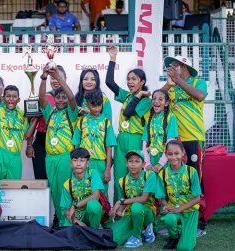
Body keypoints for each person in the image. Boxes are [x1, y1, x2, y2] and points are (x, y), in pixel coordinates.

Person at [162, 55, 207, 236]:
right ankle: (177, 220)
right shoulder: (172, 87)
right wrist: (168, 84)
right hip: (175, 142)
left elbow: (200, 96)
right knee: (176, 180)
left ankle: (199, 223)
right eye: (169, 67)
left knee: (195, 179)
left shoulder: (198, 82)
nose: (170, 69)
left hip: (194, 139)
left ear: (184, 67)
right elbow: (156, 99)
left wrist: (178, 81)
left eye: (174, 66)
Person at [105, 46, 152, 202]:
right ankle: (119, 212)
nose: (130, 82)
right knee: (119, 176)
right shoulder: (126, 95)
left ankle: (136, 210)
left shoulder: (145, 100)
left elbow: (128, 112)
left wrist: (138, 95)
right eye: (129, 79)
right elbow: (109, 82)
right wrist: (112, 59)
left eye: (134, 79)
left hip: (136, 139)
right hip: (121, 140)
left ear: (142, 82)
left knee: (136, 177)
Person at [39, 64, 78, 227]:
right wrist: (43, 77)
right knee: (55, 191)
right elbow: (41, 98)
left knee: (65, 190)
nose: (61, 100)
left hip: (64, 157)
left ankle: (66, 222)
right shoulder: (50, 112)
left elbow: (71, 97)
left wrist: (59, 78)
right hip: (50, 159)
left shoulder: (72, 112)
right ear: (54, 99)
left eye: (63, 98)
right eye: (58, 97)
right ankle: (60, 219)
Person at [0, 68, 38, 180]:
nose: (11, 99)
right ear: (3, 98)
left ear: (18, 99)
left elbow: (27, 135)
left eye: (14, 96)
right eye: (8, 96)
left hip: (15, 157)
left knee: (14, 190)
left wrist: (35, 118)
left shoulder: (23, 115)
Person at [156, 140, 201, 250]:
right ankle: (174, 236)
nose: (173, 157)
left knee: (184, 248)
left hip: (190, 211)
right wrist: (166, 205)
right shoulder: (163, 173)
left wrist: (179, 209)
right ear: (166, 154)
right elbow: (161, 197)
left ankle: (184, 233)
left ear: (183, 153)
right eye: (170, 154)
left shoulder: (191, 171)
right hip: (174, 210)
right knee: (169, 219)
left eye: (177, 153)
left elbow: (197, 198)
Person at [72, 89, 116, 200]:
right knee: (84, 192)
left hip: (100, 163)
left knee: (102, 195)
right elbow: (76, 145)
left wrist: (107, 169)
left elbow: (109, 147)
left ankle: (104, 217)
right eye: (93, 106)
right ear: (87, 105)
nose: (96, 109)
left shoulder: (106, 122)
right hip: (84, 163)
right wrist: (75, 163)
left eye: (99, 105)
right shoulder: (81, 121)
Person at [26, 65, 66, 179]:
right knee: (41, 179)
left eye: (58, 77)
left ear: (65, 79)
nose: (55, 80)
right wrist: (29, 145)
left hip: (61, 142)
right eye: (52, 78)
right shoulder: (44, 96)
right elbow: (34, 120)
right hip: (41, 141)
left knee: (59, 180)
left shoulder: (69, 98)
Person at [111, 150, 156, 248]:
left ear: (143, 164)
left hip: (147, 212)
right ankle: (141, 230)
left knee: (136, 207)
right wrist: (118, 211)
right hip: (130, 214)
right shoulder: (122, 181)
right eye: (130, 161)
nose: (133, 164)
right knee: (115, 238)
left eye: (137, 161)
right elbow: (123, 201)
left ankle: (139, 236)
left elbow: (144, 198)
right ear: (126, 163)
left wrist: (120, 202)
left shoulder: (149, 175)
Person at [60, 148, 104, 229]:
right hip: (75, 217)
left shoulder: (93, 174)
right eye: (75, 160)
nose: (78, 164)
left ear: (87, 163)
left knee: (93, 205)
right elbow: (67, 210)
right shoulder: (67, 184)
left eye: (82, 160)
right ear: (70, 163)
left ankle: (94, 231)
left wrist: (75, 206)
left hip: (89, 213)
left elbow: (96, 196)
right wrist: (76, 221)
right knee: (68, 235)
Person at [142, 89, 178, 172]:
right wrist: (147, 163)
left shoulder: (171, 117)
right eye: (154, 99)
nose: (156, 101)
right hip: (151, 160)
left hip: (166, 160)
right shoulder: (149, 118)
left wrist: (161, 163)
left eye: (160, 99)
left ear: (166, 103)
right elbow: (144, 143)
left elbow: (170, 143)